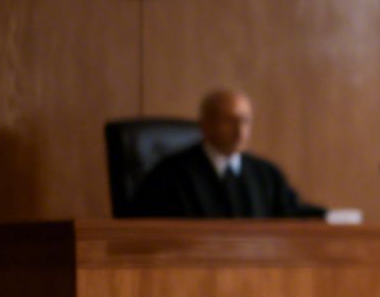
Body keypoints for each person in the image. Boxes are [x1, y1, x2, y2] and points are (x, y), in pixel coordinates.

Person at [129, 89, 323, 219]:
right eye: (230, 121)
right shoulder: (170, 176)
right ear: (205, 125)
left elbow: (291, 214)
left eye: (245, 121)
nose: (240, 131)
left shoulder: (266, 174)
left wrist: (334, 217)